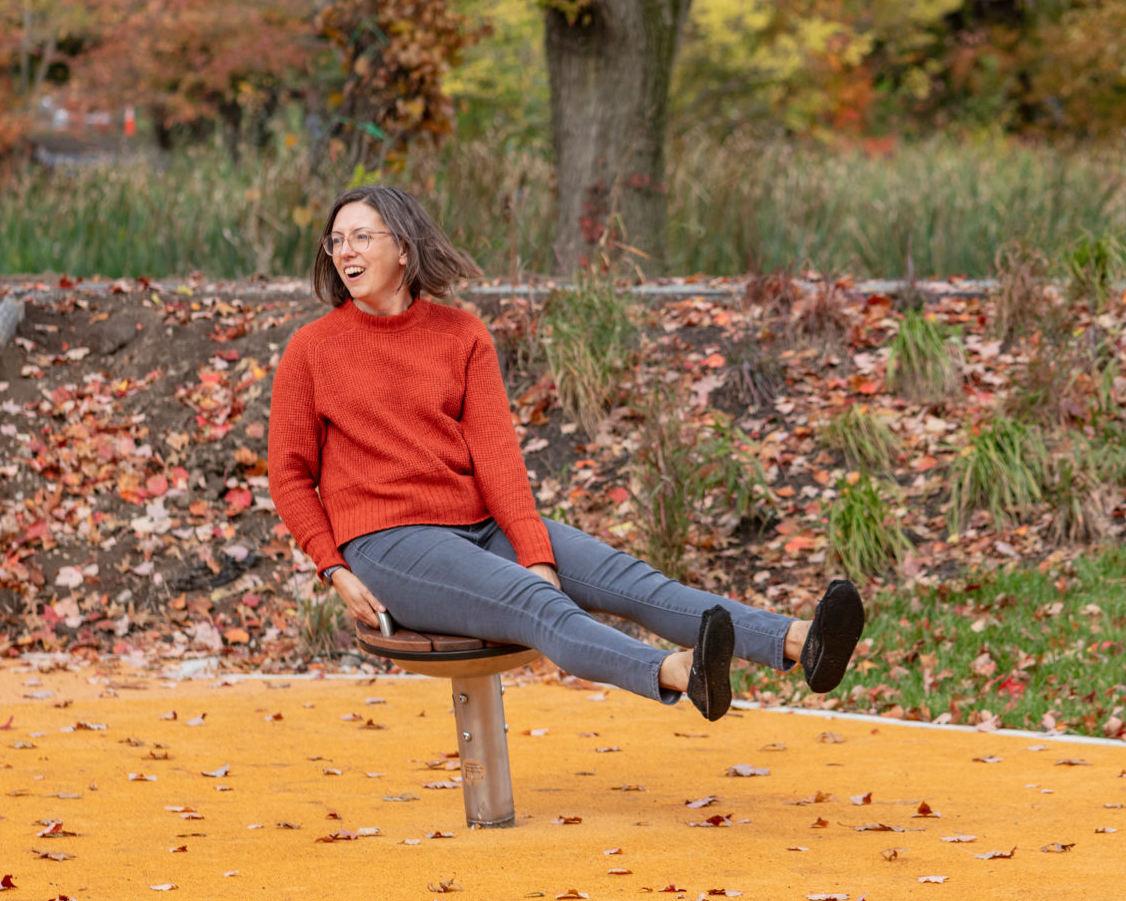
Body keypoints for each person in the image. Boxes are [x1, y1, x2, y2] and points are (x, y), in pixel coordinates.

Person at [267, 185, 864, 718]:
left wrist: (534, 550)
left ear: (403, 248)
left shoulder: (461, 335)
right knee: (533, 600)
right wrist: (335, 569)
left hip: (479, 522)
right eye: (336, 240)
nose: (345, 251)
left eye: (361, 237)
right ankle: (677, 672)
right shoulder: (312, 350)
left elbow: (499, 461)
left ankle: (799, 641)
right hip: (390, 545)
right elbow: (290, 476)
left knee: (625, 578)